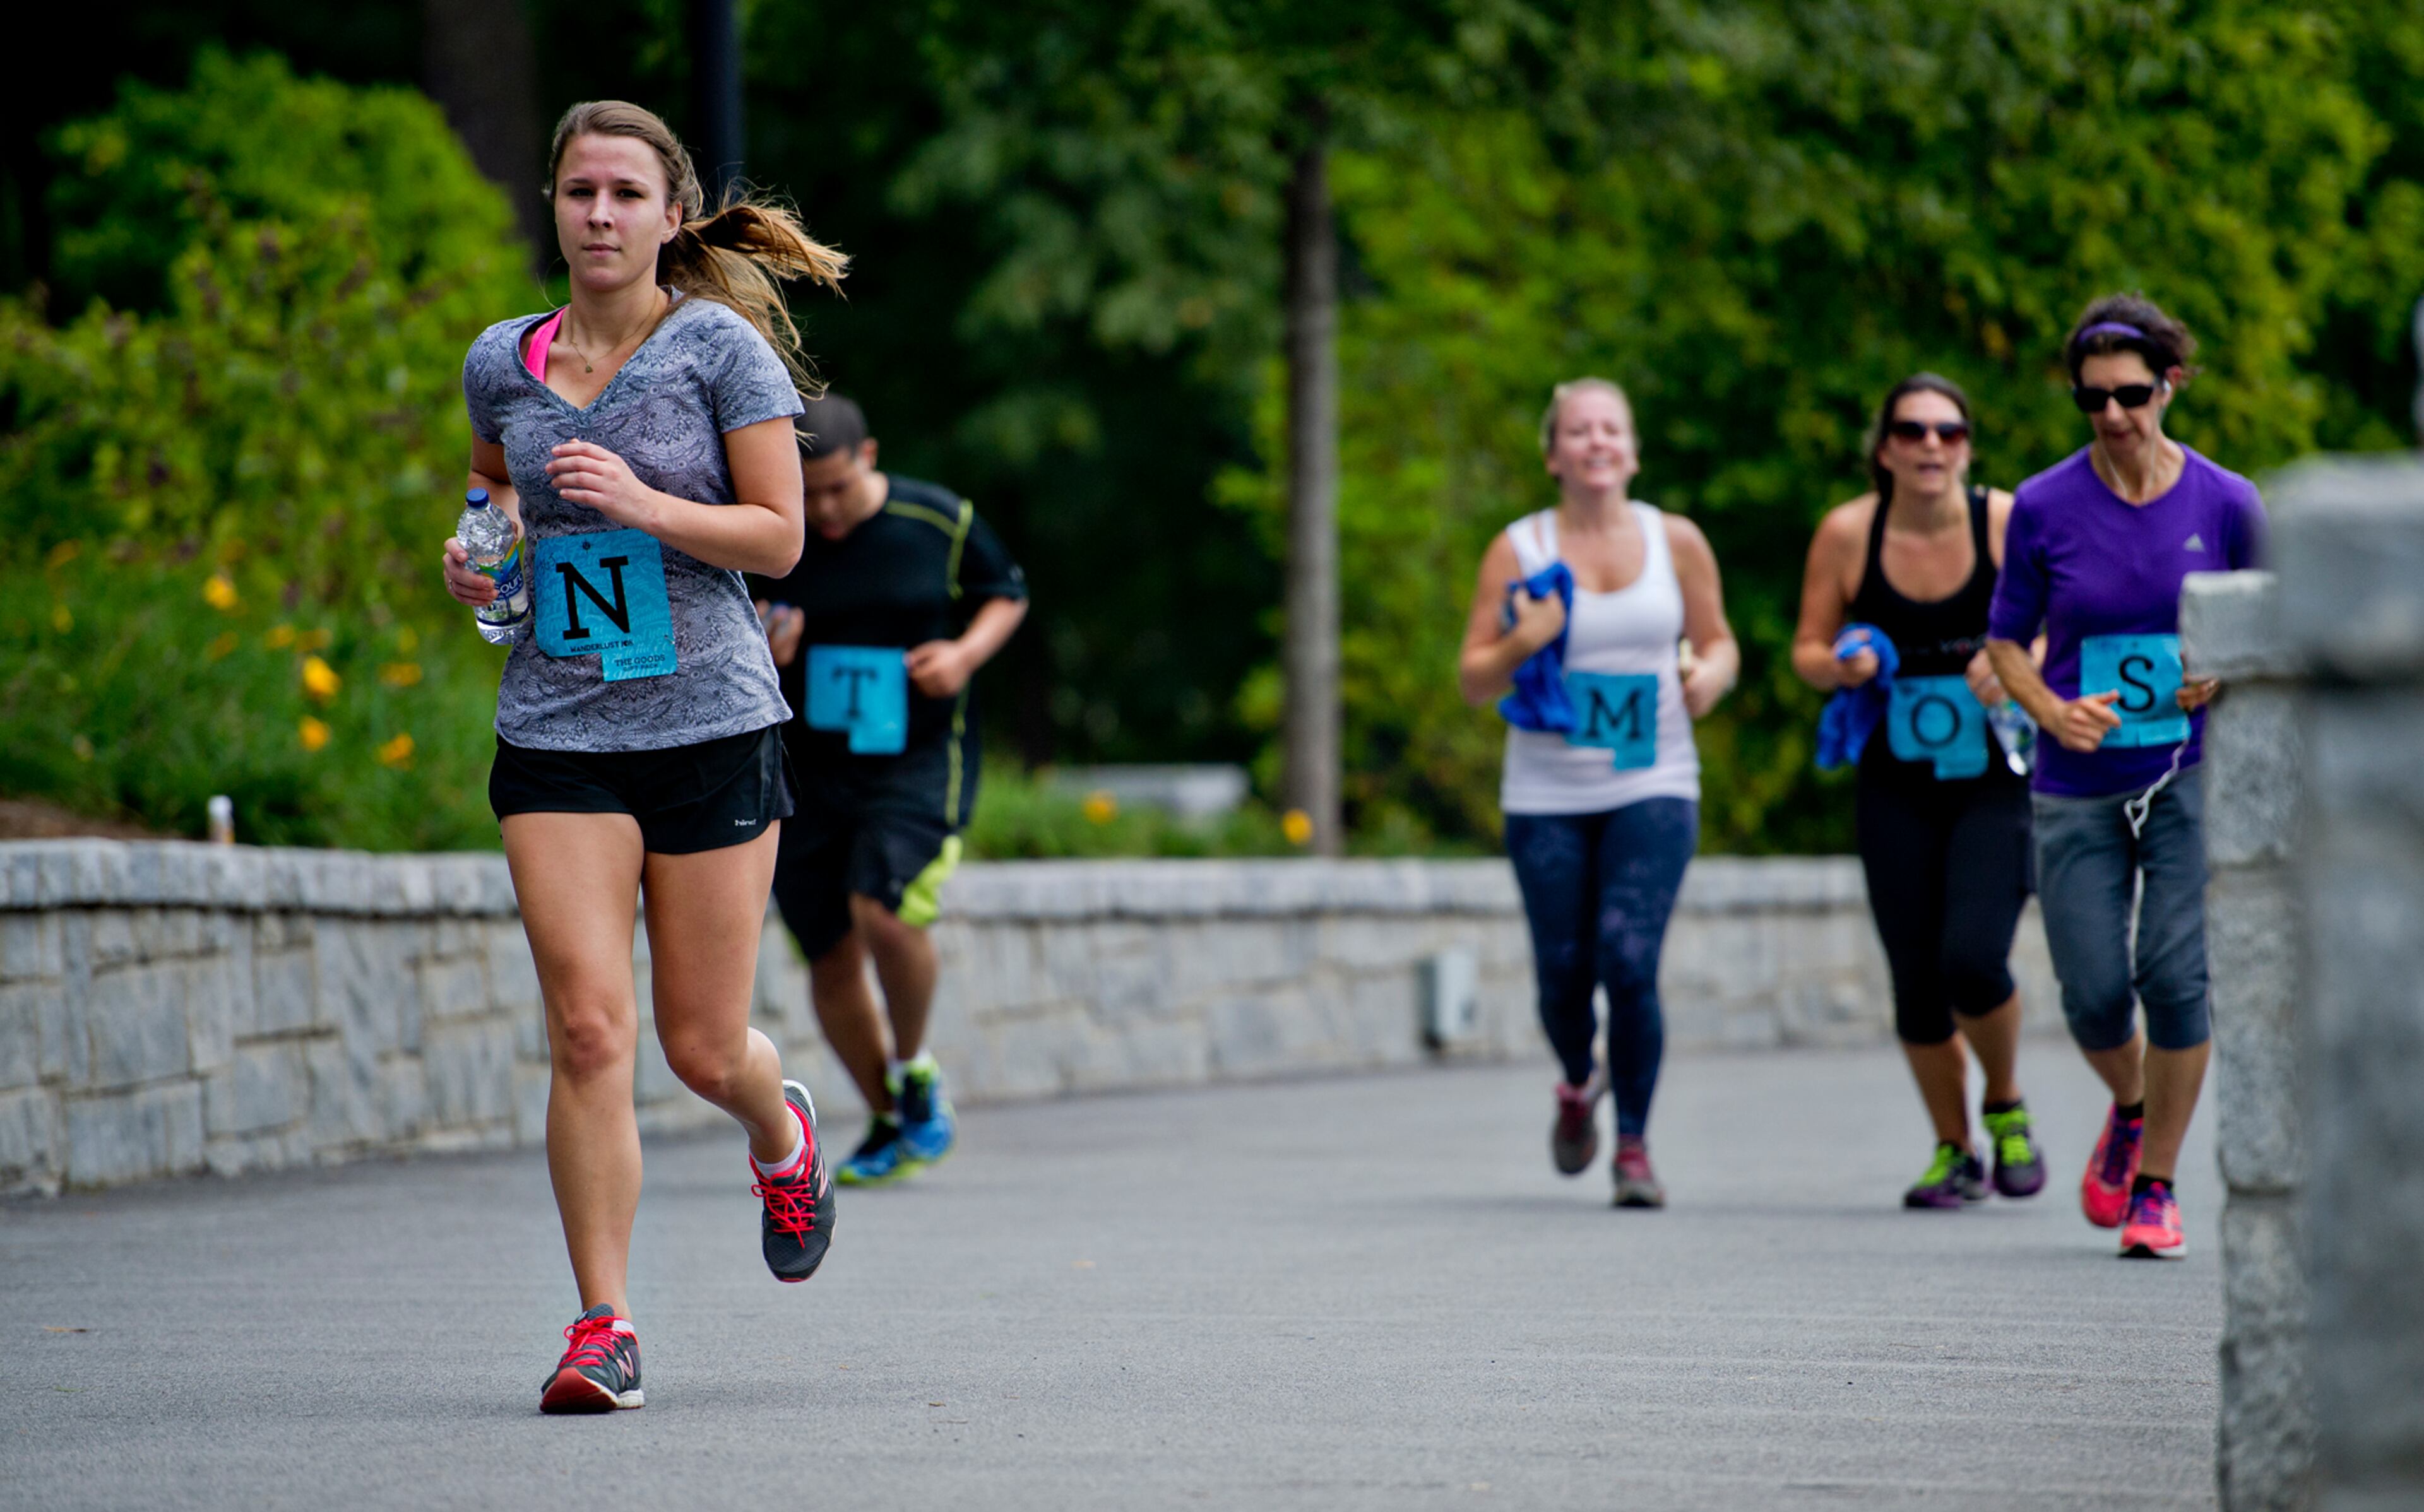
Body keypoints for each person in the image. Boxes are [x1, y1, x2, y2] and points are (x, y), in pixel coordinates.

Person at [441, 100, 848, 1412]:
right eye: (578, 193)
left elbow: (780, 539)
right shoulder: (500, 359)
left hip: (710, 726)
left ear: (672, 216)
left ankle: (777, 1126)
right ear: (552, 209)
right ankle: (601, 1324)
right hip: (557, 726)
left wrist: (646, 504)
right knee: (587, 1024)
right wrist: (482, 560)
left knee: (697, 1042)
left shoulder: (718, 348)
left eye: (625, 193)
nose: (600, 215)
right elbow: (495, 490)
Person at [1986, 294, 2267, 1260]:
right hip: (2077, 778)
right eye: (2092, 399)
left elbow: (2274, 631)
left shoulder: (2228, 504)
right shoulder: (2044, 505)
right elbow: (2004, 641)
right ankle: (2132, 1103)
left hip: (2190, 772)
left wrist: (2227, 672)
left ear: (2171, 386)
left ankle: (2156, 1187)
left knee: (2175, 979)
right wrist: (2049, 708)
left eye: (2132, 394)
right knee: (2097, 994)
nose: (2112, 416)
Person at [1456, 377, 1740, 1208]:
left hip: (1655, 780)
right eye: (1578, 432)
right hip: (1546, 792)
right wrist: (1524, 639)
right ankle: (1580, 1080)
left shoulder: (1675, 540)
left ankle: (1636, 1148)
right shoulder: (1519, 549)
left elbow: (1720, 642)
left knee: (1629, 958)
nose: (1596, 443)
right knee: (1563, 972)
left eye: (1610, 429)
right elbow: (1474, 681)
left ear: (1633, 449)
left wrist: (1708, 678)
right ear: (1554, 455)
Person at [752, 394, 1028, 1186]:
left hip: (913, 758)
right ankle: (889, 1116)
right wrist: (768, 641)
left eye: (838, 487)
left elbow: (1006, 592)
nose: (827, 510)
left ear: (868, 456)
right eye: (810, 493)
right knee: (830, 954)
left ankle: (914, 1066)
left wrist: (965, 656)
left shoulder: (937, 520)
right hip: (803, 764)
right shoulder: (771, 529)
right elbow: (723, 620)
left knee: (885, 902)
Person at [1791, 374, 2047, 1210]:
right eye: (1911, 431)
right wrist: (1842, 665)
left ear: (1968, 445)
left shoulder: (2003, 520)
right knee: (1915, 979)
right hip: (1896, 779)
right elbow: (1807, 647)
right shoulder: (1847, 532)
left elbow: (2062, 622)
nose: (1930, 446)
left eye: (1947, 431)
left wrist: (2018, 661)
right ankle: (1954, 1149)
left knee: (1972, 959)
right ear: (1886, 448)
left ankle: (2005, 1104)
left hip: (1993, 777)